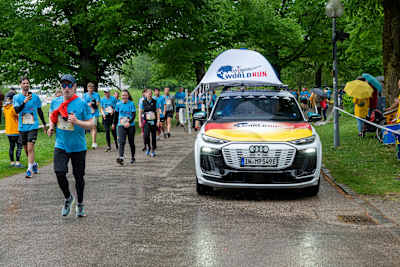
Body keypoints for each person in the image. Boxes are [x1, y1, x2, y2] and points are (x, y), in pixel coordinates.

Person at [48, 74, 94, 217]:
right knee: (59, 172)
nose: (66, 88)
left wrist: (78, 122)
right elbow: (52, 116)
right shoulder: (55, 102)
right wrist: (51, 127)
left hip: (78, 147)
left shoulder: (81, 104)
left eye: (69, 85)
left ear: (74, 87)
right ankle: (68, 198)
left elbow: (92, 123)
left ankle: (80, 204)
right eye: (64, 85)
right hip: (61, 144)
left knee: (78, 177)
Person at [13, 77, 47, 178]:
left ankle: (29, 169)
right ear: (20, 85)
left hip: (33, 125)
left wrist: (44, 124)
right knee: (26, 149)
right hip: (22, 127)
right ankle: (34, 164)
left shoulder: (35, 97)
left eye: (27, 83)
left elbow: (40, 111)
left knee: (30, 148)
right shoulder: (16, 98)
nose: (26, 85)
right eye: (24, 83)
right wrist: (24, 102)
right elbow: (17, 111)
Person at [113, 90, 136, 165]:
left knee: (131, 142)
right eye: (123, 95)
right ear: (121, 96)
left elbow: (134, 115)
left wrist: (129, 122)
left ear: (128, 96)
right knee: (121, 141)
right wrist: (114, 123)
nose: (124, 97)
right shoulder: (118, 104)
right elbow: (116, 115)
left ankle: (133, 157)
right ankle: (121, 157)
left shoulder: (131, 104)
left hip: (130, 126)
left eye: (125, 95)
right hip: (121, 125)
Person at [3, 91, 23, 168]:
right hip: (16, 131)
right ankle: (17, 163)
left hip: (8, 131)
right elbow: (18, 115)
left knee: (11, 146)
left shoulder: (5, 108)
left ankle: (12, 162)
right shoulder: (13, 108)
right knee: (19, 146)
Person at [139, 89, 160, 157]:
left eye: (151, 93)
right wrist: (140, 121)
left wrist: (158, 121)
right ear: (145, 94)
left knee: (153, 137)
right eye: (148, 93)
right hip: (146, 121)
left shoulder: (155, 101)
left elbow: (157, 111)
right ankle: (148, 147)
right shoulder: (143, 102)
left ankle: (153, 150)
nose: (149, 94)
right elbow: (140, 112)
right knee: (146, 136)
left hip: (153, 121)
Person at [83, 82, 100, 149]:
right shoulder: (85, 95)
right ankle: (84, 143)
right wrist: (88, 105)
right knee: (87, 127)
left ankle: (94, 142)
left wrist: (92, 105)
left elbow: (98, 103)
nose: (91, 89)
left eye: (92, 88)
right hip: (87, 113)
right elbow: (83, 104)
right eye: (90, 88)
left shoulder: (96, 95)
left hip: (94, 113)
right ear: (87, 88)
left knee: (93, 127)